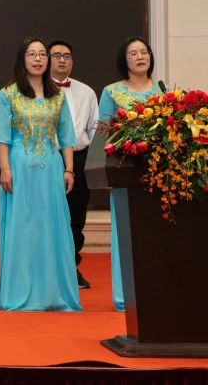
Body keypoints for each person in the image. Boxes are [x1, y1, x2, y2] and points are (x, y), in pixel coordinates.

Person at [0, 38, 81, 312]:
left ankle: (52, 292)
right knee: (23, 228)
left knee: (51, 227)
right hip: (19, 169)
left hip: (51, 169)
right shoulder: (7, 95)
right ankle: (20, 292)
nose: (38, 59)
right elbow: (2, 137)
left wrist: (69, 169)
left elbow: (66, 137)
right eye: (32, 54)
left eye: (42, 54)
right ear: (22, 59)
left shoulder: (58, 96)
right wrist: (5, 169)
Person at [98, 35, 160, 313]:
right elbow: (103, 135)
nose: (140, 57)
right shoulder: (111, 92)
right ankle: (126, 296)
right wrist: (107, 174)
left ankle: (156, 292)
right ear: (124, 60)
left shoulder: (162, 90)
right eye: (133, 53)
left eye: (143, 52)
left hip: (156, 172)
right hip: (124, 171)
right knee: (125, 233)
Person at [48, 39, 99, 289]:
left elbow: (95, 128)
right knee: (47, 215)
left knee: (76, 217)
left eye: (66, 56)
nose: (61, 60)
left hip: (79, 158)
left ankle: (71, 268)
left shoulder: (86, 92)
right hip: (48, 158)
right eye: (56, 55)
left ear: (72, 61)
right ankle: (48, 270)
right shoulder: (36, 90)